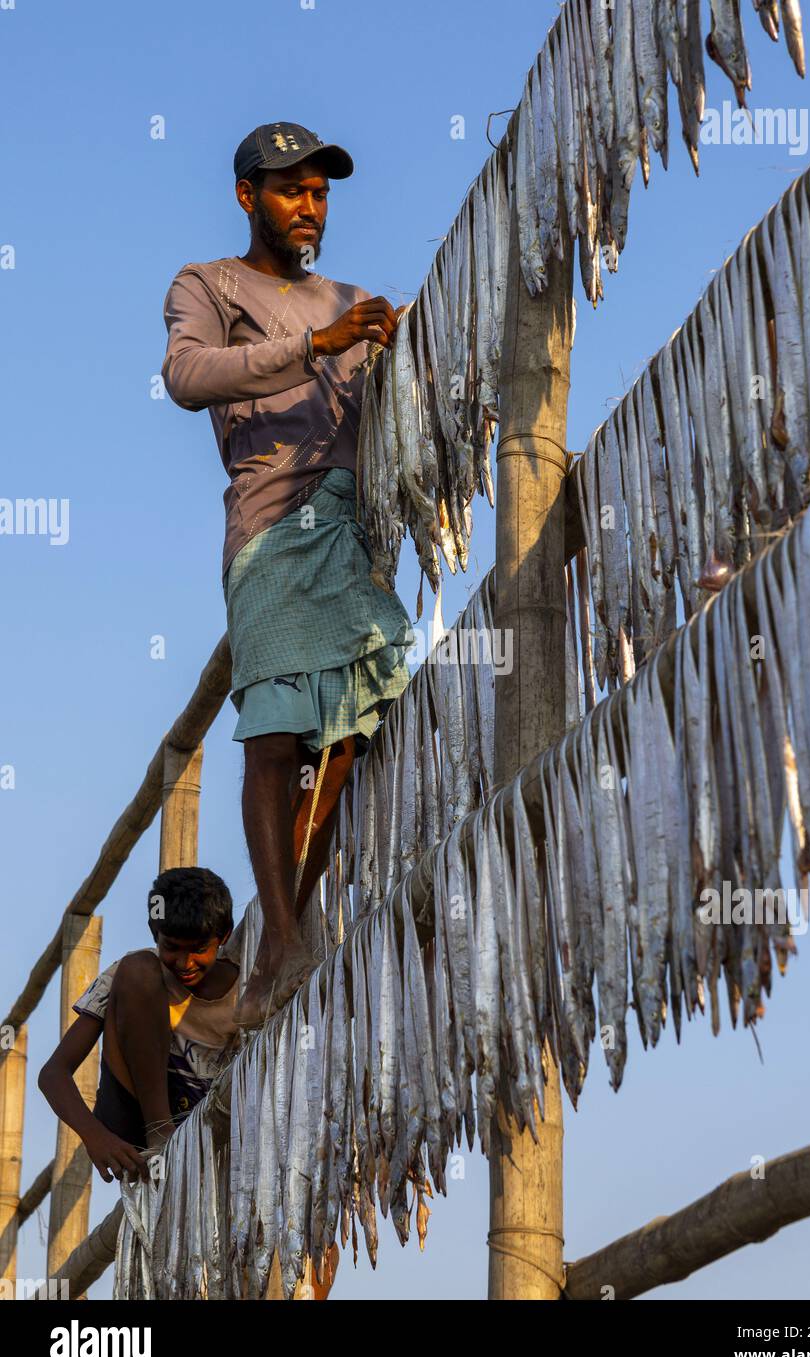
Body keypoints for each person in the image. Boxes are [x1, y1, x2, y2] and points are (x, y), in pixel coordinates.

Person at [161, 122, 415, 1027]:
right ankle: (281, 927)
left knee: (349, 726)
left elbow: (390, 397)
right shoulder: (210, 284)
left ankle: (284, 931)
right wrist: (316, 345)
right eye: (289, 191)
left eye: (319, 192)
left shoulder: (347, 298)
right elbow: (187, 375)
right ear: (247, 197)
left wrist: (395, 348)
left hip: (348, 529)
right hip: (270, 524)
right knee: (274, 737)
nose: (308, 206)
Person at [38, 867, 241, 1183]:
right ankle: (160, 1132)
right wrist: (95, 1136)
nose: (185, 963)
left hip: (208, 1126)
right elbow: (53, 1073)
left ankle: (178, 1140)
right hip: (136, 1128)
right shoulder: (132, 975)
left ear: (224, 937)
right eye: (171, 947)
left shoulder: (245, 990)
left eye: (199, 949)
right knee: (137, 969)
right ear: (154, 932)